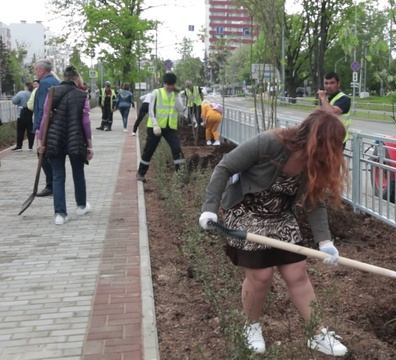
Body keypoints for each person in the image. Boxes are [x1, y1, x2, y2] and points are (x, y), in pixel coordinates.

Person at [198, 110, 349, 357]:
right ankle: (251, 327)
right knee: (261, 275)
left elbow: (315, 201)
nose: (334, 153)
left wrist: (325, 241)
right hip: (245, 210)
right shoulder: (270, 143)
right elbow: (224, 167)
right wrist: (209, 210)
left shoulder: (314, 162)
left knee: (297, 272)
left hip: (279, 216)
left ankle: (317, 333)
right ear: (316, 140)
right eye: (333, 145)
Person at [37, 66, 93, 225]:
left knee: (57, 176)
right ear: (76, 78)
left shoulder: (52, 92)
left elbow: (45, 117)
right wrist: (89, 145)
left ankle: (60, 215)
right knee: (78, 173)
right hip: (75, 138)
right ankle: (81, 206)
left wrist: (41, 140)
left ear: (64, 76)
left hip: (55, 138)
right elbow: (85, 122)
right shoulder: (82, 95)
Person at [136, 72, 186, 182]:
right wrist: (154, 124)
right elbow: (151, 109)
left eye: (172, 84)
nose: (169, 87)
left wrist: (177, 96)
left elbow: (181, 109)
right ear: (164, 83)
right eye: (168, 84)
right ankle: (140, 173)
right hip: (156, 127)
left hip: (170, 127)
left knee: (176, 148)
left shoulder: (175, 94)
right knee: (149, 150)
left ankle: (180, 175)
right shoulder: (156, 93)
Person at [33, 59, 60, 197]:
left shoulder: (44, 84)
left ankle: (51, 185)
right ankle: (55, 183)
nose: (35, 72)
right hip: (56, 125)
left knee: (42, 153)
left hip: (46, 126)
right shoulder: (56, 81)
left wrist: (38, 129)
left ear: (42, 70)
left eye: (36, 70)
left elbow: (42, 108)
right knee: (51, 155)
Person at [317, 72, 351, 143]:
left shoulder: (344, 99)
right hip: (326, 138)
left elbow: (332, 113)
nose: (328, 86)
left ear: (338, 84)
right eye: (326, 83)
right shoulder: (327, 98)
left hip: (338, 139)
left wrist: (323, 98)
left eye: (332, 83)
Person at [11, 81, 35, 151]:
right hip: (31, 113)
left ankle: (19, 146)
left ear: (26, 87)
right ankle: (30, 147)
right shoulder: (33, 93)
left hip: (22, 112)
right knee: (30, 130)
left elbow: (14, 101)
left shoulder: (21, 93)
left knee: (20, 130)